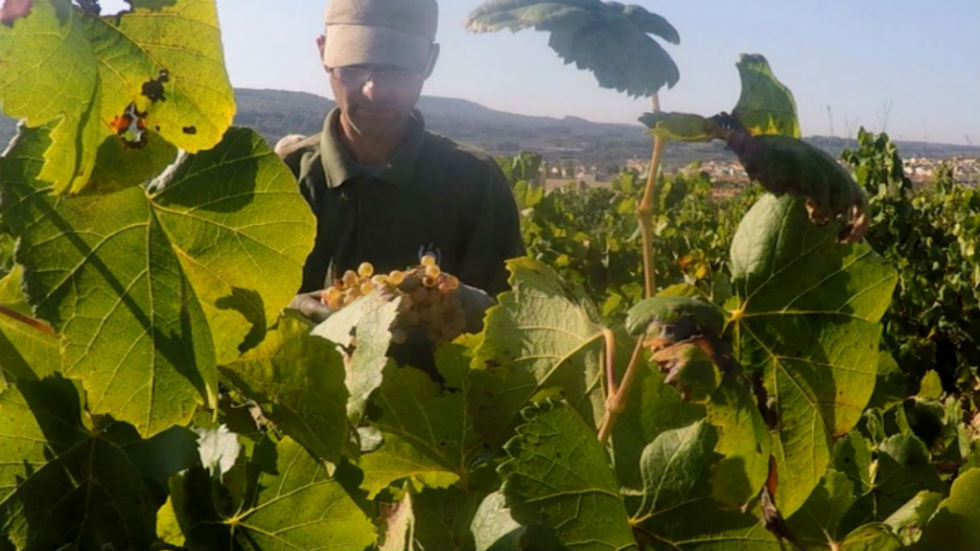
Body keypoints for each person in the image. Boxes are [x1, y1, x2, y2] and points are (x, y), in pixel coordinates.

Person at [279, 0, 525, 334]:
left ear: (430, 61)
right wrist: (291, 312)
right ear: (323, 52)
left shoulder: (476, 181)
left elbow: (516, 322)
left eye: (397, 71)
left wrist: (471, 307)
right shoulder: (282, 178)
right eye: (354, 67)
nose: (374, 91)